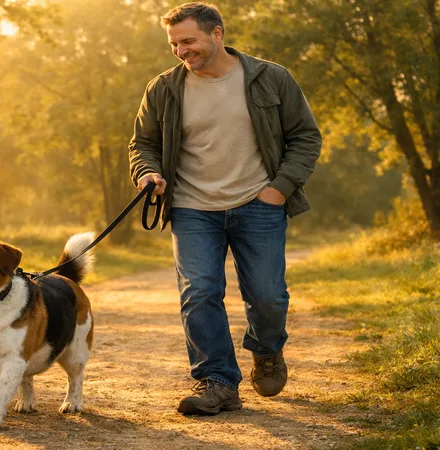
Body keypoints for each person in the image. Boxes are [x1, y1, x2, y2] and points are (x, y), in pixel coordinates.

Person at [128, 2, 321, 416]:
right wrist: (147, 172)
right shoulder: (164, 88)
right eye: (174, 44)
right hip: (192, 207)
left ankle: (267, 350)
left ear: (217, 34)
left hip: (259, 204)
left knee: (268, 296)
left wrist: (279, 189)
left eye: (188, 41)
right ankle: (217, 381)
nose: (181, 51)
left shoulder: (271, 78)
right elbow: (142, 143)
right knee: (199, 293)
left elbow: (306, 137)